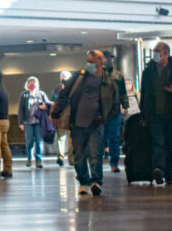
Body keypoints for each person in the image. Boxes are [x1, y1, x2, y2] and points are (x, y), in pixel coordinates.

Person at [52, 50, 119, 196]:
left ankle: (96, 182)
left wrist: (104, 118)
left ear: (100, 63)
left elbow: (115, 104)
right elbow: (64, 93)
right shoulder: (79, 76)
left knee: (96, 154)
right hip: (77, 123)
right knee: (79, 156)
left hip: (96, 123)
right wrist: (56, 112)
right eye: (87, 61)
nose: (88, 64)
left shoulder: (107, 81)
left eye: (92, 62)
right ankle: (83, 181)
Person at [140, 41, 172, 186]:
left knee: (170, 145)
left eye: (158, 52)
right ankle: (158, 169)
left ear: (166, 54)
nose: (155, 54)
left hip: (171, 114)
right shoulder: (148, 71)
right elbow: (145, 95)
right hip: (154, 114)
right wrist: (143, 115)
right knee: (158, 142)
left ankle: (169, 173)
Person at [102, 52, 130, 173]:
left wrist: (125, 106)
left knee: (114, 138)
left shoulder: (118, 76)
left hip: (114, 111)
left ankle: (114, 163)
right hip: (99, 112)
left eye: (111, 59)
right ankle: (97, 163)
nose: (109, 61)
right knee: (99, 138)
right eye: (107, 59)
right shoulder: (96, 75)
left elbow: (123, 92)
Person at [18, 76, 49, 169]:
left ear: (37, 84)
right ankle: (29, 158)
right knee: (29, 141)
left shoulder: (41, 94)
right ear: (27, 84)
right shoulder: (24, 95)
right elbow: (21, 109)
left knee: (39, 141)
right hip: (28, 122)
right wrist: (20, 123)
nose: (32, 84)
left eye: (33, 82)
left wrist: (44, 106)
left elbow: (47, 105)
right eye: (30, 82)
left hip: (39, 122)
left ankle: (38, 160)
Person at [51, 71, 73, 166]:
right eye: (62, 77)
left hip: (71, 117)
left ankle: (71, 158)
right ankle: (60, 157)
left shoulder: (74, 89)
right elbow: (53, 103)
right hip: (60, 117)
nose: (63, 78)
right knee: (60, 138)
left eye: (65, 77)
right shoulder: (56, 90)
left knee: (71, 138)